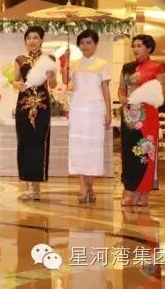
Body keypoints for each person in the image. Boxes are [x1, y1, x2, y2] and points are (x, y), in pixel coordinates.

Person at [62, 29, 111, 203]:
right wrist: (65, 63)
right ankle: (83, 186)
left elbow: (105, 88)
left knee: (93, 148)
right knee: (79, 147)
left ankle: (90, 186)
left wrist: (108, 111)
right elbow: (66, 82)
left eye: (89, 42)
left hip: (96, 110)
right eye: (82, 43)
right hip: (78, 109)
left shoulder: (102, 64)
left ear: (95, 44)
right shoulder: (74, 64)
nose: (85, 46)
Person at [118, 34, 165, 207]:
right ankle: (129, 190)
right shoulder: (127, 67)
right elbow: (121, 89)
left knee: (146, 153)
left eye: (139, 46)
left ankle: (144, 192)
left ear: (149, 48)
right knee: (128, 153)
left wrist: (146, 97)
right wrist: (122, 98)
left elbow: (162, 93)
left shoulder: (157, 67)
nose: (135, 49)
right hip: (129, 115)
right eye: (134, 46)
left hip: (147, 116)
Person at [11, 26, 57, 200]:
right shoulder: (20, 60)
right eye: (29, 38)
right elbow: (15, 81)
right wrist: (17, 85)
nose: (32, 41)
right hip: (24, 105)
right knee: (23, 142)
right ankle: (25, 184)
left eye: (35, 38)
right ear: (25, 41)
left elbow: (53, 85)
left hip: (42, 105)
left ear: (41, 40)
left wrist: (52, 77)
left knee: (40, 142)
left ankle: (37, 185)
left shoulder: (49, 59)